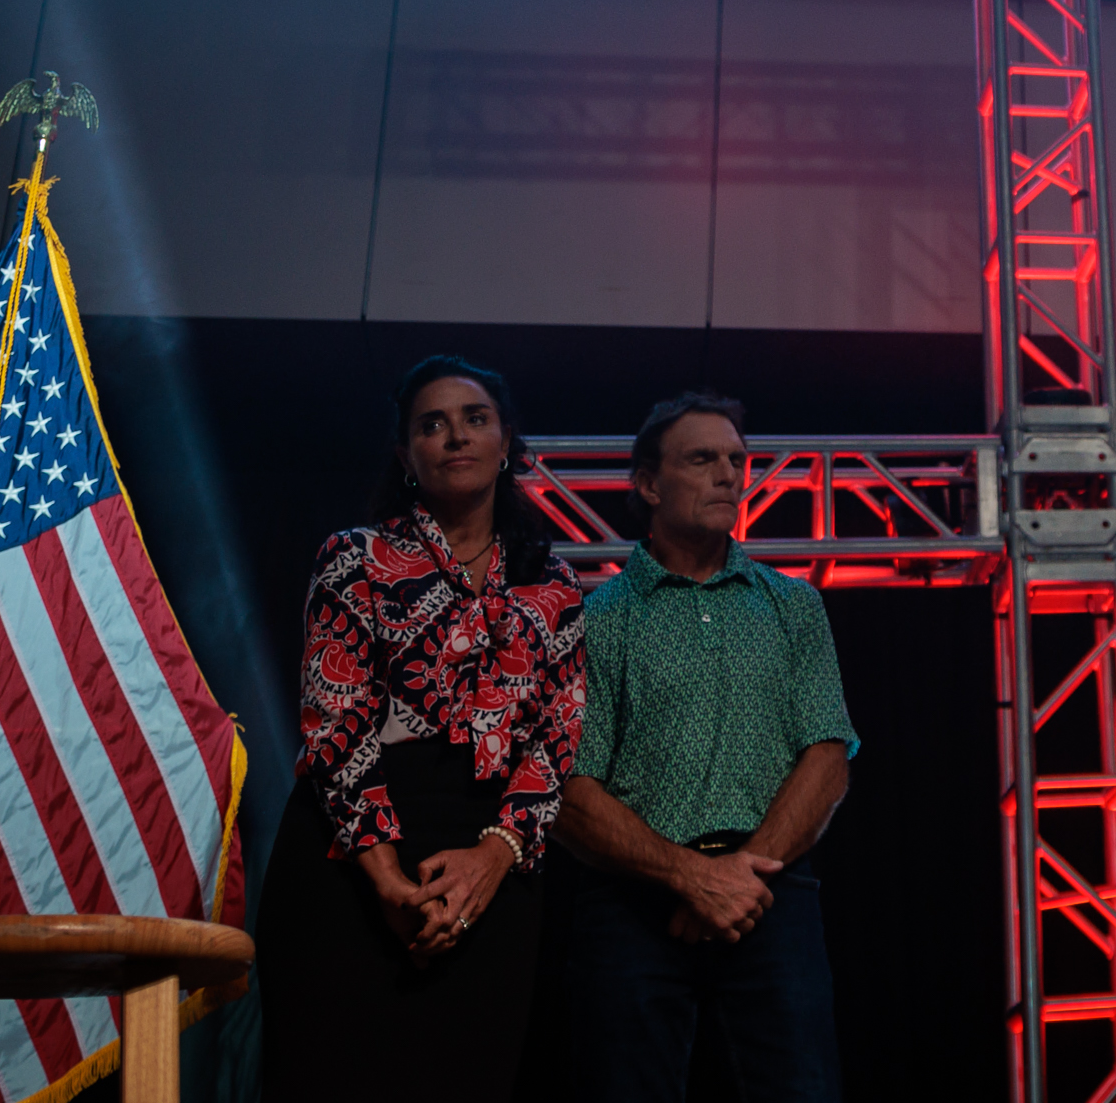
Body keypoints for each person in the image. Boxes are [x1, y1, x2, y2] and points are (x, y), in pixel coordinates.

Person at [255, 357, 587, 1103]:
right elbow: (335, 717)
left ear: (507, 442)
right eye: (430, 424)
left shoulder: (554, 582)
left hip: (495, 862)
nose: (454, 436)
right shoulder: (355, 556)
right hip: (350, 859)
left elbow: (555, 740)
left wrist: (490, 863)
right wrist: (391, 885)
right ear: (406, 456)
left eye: (474, 418)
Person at [554, 392, 858, 1103]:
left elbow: (828, 754)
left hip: (773, 899)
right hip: (635, 906)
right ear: (650, 484)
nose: (729, 474)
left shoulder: (792, 603)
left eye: (736, 460)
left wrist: (739, 880)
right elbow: (571, 787)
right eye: (702, 459)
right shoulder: (596, 618)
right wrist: (686, 875)